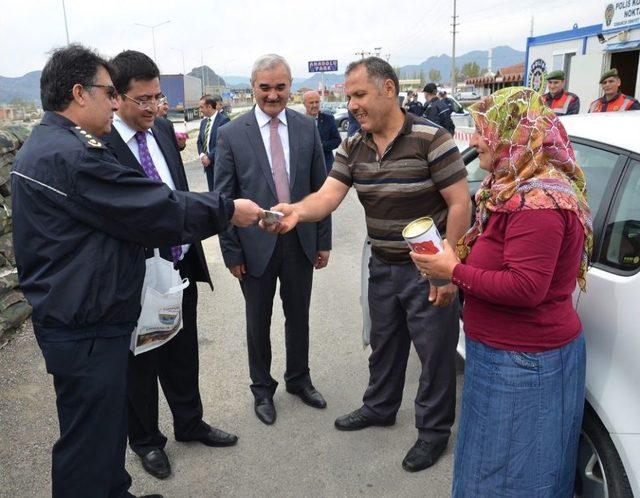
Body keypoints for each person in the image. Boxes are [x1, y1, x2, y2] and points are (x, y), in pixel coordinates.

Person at [10, 44, 262, 498]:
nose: (114, 102)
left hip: (85, 311)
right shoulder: (73, 155)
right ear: (78, 93)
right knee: (87, 444)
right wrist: (227, 209)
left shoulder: (49, 145)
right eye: (109, 92)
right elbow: (151, 206)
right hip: (84, 323)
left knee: (102, 434)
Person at [263, 57, 470, 472]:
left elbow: (459, 202)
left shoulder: (433, 138)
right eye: (348, 96)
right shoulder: (353, 145)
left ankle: (433, 433)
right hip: (382, 264)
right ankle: (380, 406)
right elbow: (328, 195)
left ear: (388, 89)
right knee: (385, 342)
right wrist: (298, 213)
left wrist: (450, 266)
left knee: (434, 355)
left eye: (359, 94)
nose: (352, 104)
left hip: (428, 267)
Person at [411, 87, 592, 496]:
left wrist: (454, 271)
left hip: (523, 362)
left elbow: (526, 287)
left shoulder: (538, 203)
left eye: (483, 131)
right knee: (499, 469)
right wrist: (452, 259)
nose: (475, 141)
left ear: (514, 133)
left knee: (511, 478)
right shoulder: (514, 187)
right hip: (508, 356)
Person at [103, 50, 238, 481]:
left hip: (178, 266)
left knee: (183, 350)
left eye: (156, 97)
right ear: (115, 97)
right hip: (136, 278)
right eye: (141, 100)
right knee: (141, 363)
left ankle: (190, 422)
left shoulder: (161, 129)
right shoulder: (99, 145)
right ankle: (146, 441)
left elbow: (177, 196)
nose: (151, 108)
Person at [214, 54, 332, 425]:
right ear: (252, 88)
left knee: (298, 316)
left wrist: (323, 241)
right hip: (254, 248)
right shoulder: (231, 134)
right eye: (264, 87)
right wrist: (232, 251)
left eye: (280, 87)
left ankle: (299, 379)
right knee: (258, 321)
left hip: (300, 241)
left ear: (290, 87)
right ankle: (262, 389)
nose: (272, 95)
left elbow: (320, 188)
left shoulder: (304, 127)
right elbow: (223, 198)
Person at [302, 90, 341, 172]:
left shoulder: (328, 119)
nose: (315, 105)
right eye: (311, 102)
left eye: (317, 102)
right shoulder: (298, 121)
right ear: (304, 104)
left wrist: (321, 146)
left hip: (325, 166)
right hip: (306, 167)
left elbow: (337, 140)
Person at [198, 94, 230, 191]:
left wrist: (210, 157)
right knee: (212, 193)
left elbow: (223, 143)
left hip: (219, 164)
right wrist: (202, 155)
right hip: (208, 165)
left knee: (221, 193)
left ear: (209, 107)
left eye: (201, 107)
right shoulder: (203, 122)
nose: (200, 110)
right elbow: (199, 141)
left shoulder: (224, 120)